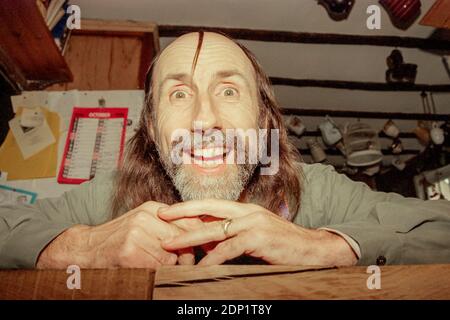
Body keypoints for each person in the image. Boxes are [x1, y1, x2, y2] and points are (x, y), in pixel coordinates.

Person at [0, 32, 449, 269]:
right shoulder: (110, 198)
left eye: (229, 92)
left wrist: (327, 245)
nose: (203, 120)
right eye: (178, 95)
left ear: (263, 120)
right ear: (153, 131)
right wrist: (83, 246)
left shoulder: (318, 192)